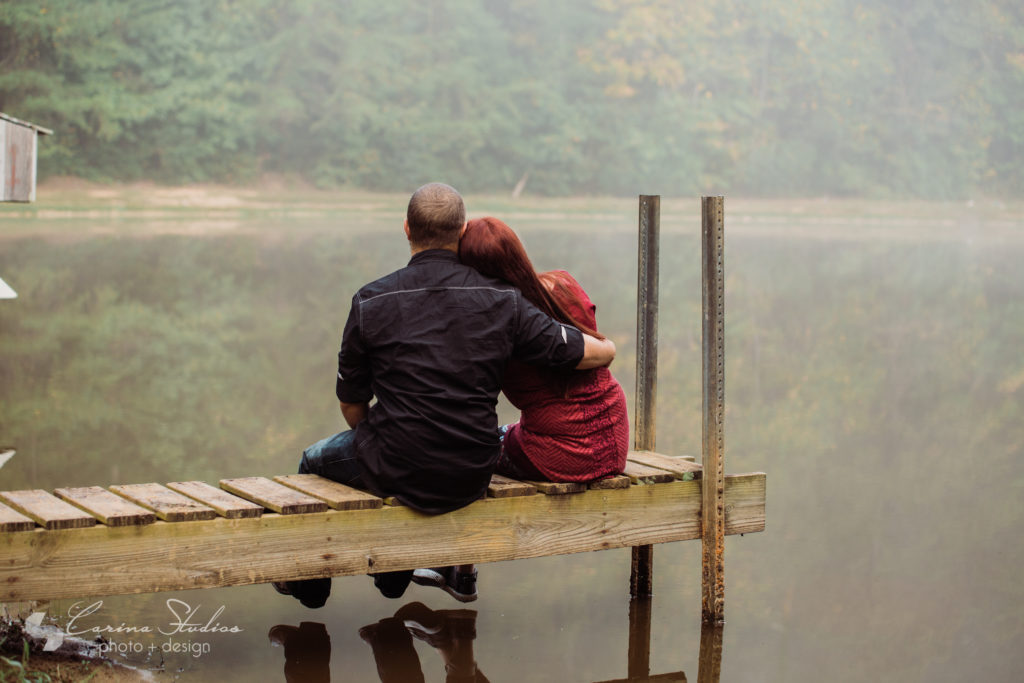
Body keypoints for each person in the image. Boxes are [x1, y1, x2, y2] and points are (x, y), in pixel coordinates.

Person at [273, 184, 616, 608]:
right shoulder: (504, 301)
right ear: (462, 230)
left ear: (406, 229)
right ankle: (392, 574)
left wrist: (383, 443)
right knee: (380, 459)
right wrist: (610, 348)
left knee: (313, 460)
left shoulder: (371, 300)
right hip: (473, 467)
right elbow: (581, 351)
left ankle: (310, 587)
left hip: (395, 460)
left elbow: (351, 403)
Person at [456, 217, 629, 484]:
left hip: (561, 453)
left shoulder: (500, 320)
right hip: (613, 438)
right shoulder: (563, 284)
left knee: (469, 448)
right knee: (507, 431)